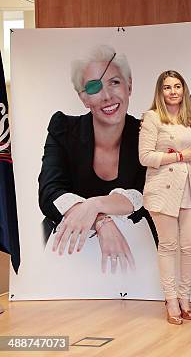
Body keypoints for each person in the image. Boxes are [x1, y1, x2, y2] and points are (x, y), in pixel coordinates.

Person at [38, 44, 154, 274]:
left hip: (135, 258)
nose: (107, 96)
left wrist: (95, 204)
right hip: (66, 258)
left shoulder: (147, 133)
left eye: (115, 82)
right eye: (94, 87)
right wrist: (101, 220)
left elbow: (147, 195)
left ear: (129, 85)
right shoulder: (63, 128)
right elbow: (49, 194)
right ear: (83, 98)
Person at [139, 70, 191, 325]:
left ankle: (185, 299)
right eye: (167, 87)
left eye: (177, 86)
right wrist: (177, 156)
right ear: (160, 92)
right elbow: (145, 157)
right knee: (168, 246)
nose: (173, 91)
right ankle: (170, 301)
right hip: (162, 189)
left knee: (190, 246)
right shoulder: (152, 118)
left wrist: (184, 154)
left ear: (184, 90)